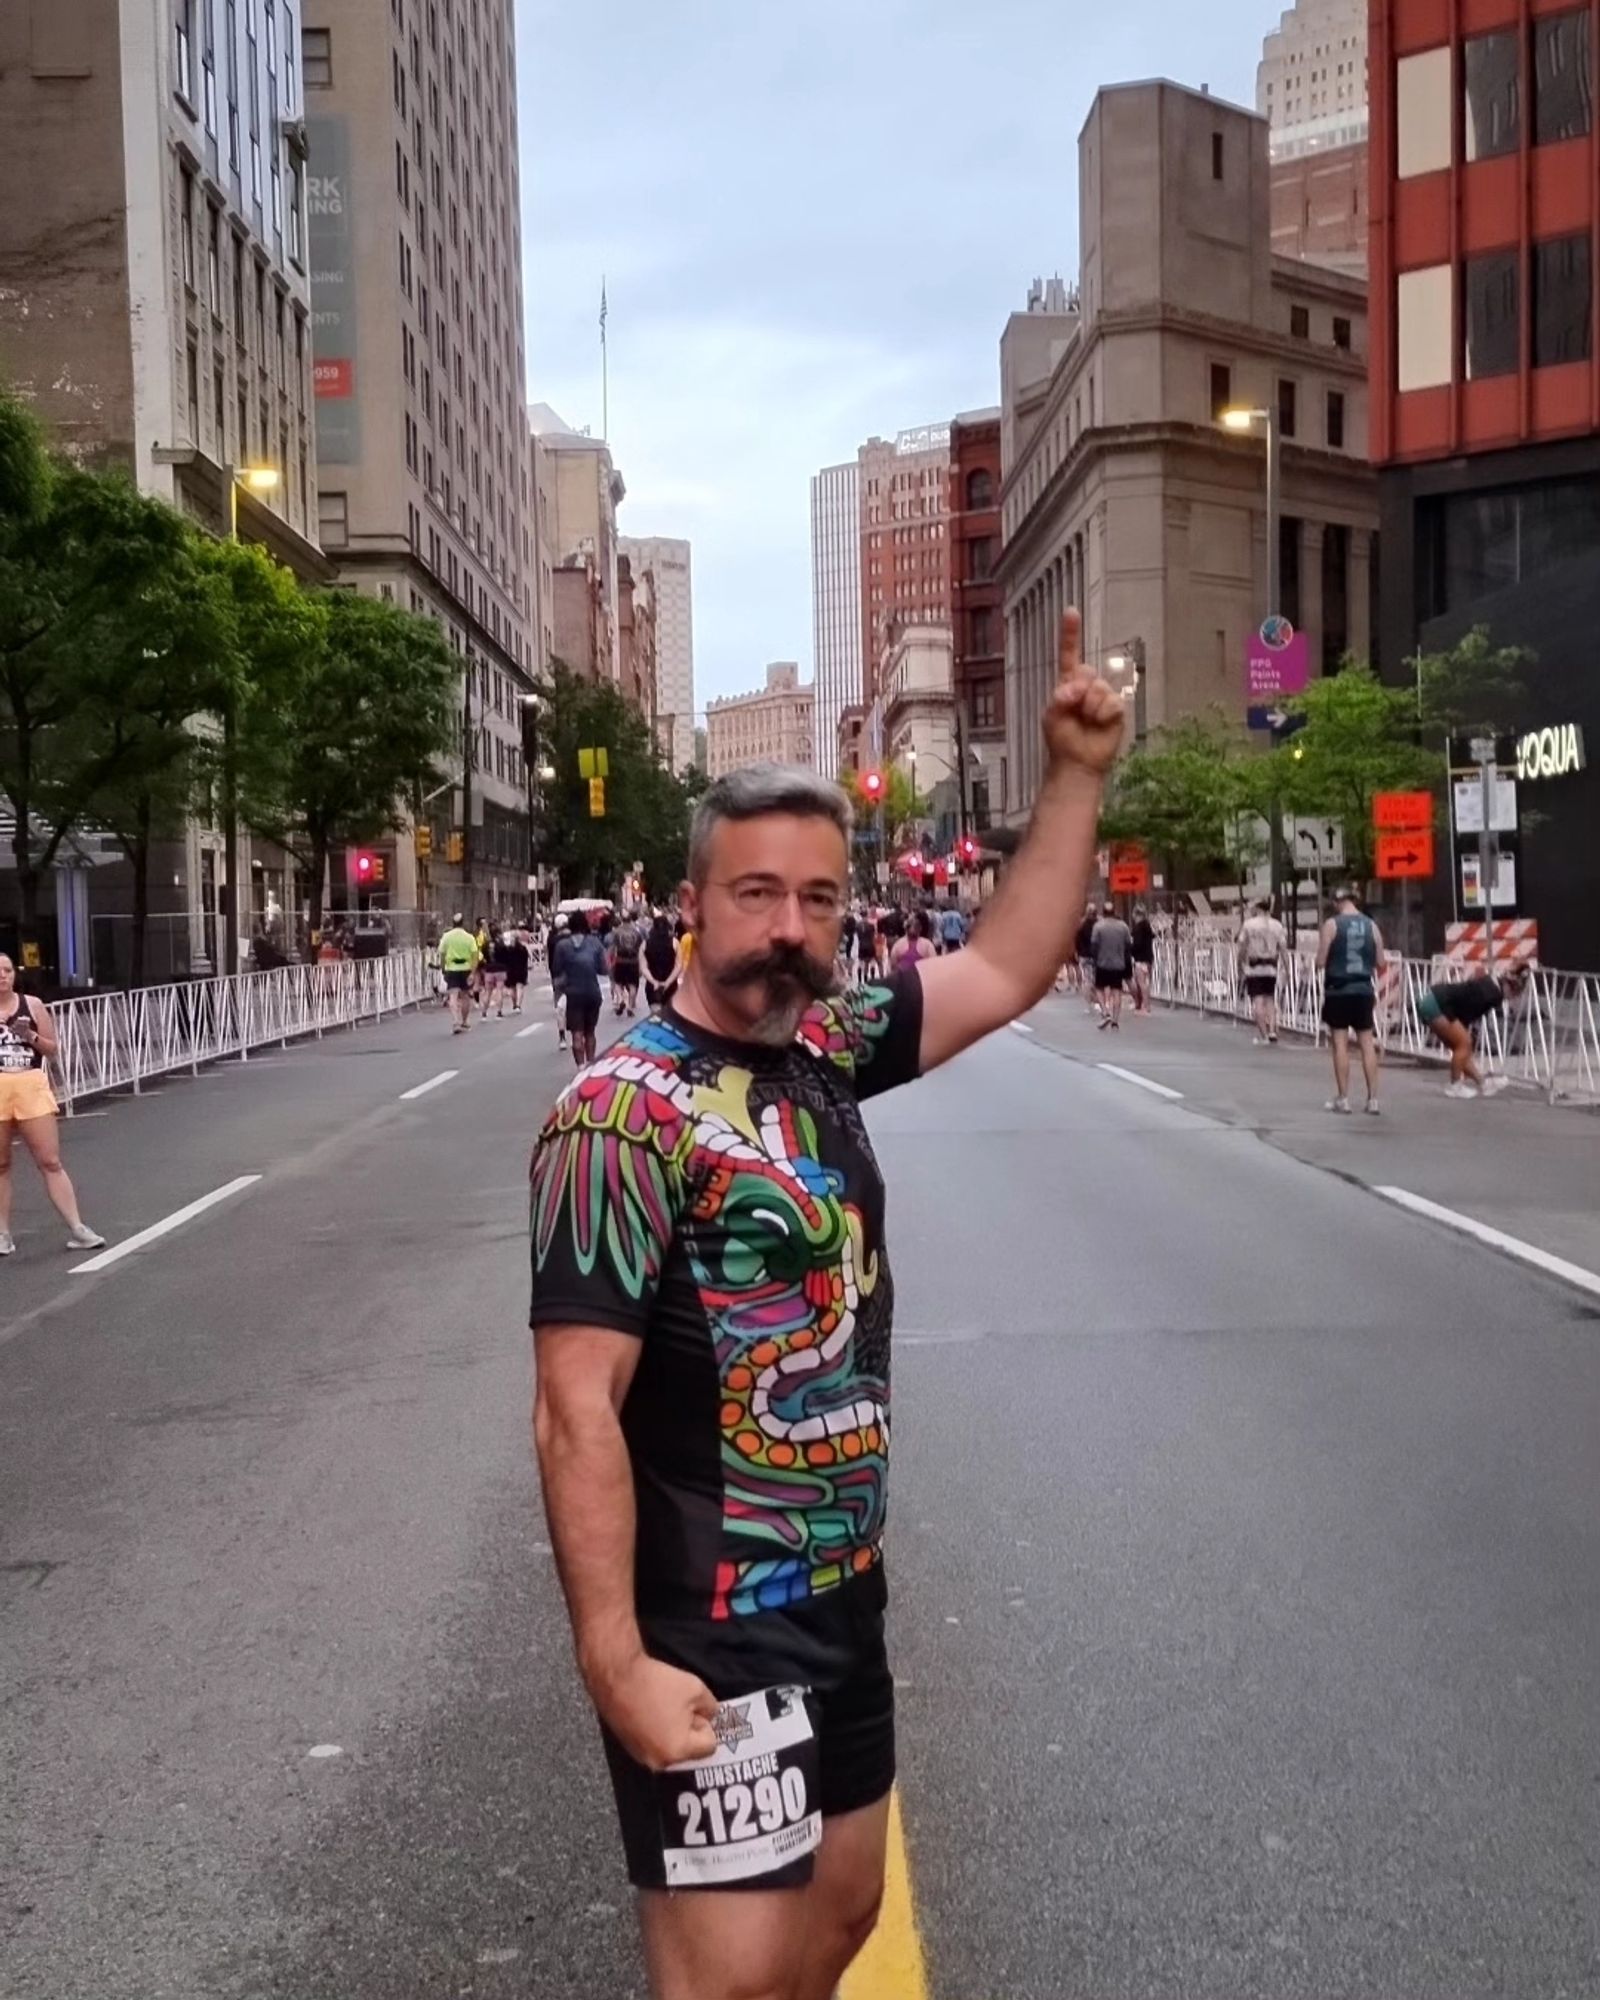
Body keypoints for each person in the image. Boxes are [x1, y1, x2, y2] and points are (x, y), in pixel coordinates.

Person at [529, 607, 1124, 2000]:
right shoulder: (619, 1120)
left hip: (842, 1603)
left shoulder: (825, 1052)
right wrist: (616, 1661)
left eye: (817, 899)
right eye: (756, 894)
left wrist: (1079, 773)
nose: (790, 928)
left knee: (840, 1925)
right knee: (733, 1978)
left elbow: (1007, 962)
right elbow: (574, 1414)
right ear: (690, 902)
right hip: (711, 1625)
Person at [0, 955, 105, 1255]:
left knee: (50, 1161)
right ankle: (3, 1233)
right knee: (1, 1164)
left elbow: (52, 1048)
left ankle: (78, 1227)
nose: (3, 977)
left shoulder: (31, 1005)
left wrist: (29, 1035)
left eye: (7, 971)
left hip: (30, 1084)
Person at [1316, 888, 1386, 1115]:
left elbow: (1320, 960)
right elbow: (1381, 961)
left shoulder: (1332, 925)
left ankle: (1343, 1098)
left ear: (1337, 902)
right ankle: (1373, 1099)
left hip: (1338, 990)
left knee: (1340, 1044)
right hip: (1364, 989)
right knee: (1367, 1043)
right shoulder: (1371, 925)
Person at [1418, 965, 1525, 1098]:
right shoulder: (1493, 994)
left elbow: (1466, 1007)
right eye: (1515, 993)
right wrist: (1465, 1030)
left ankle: (1483, 1084)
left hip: (1434, 1001)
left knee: (1463, 1049)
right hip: (1438, 1005)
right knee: (1464, 1044)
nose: (1513, 997)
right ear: (1508, 986)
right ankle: (1454, 1085)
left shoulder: (1491, 985)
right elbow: (1469, 1010)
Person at [552, 908, 607, 1067]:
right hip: (592, 992)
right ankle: (590, 1064)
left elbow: (556, 970)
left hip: (573, 993)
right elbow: (603, 969)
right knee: (590, 1032)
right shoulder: (595, 943)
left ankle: (580, 1068)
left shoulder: (562, 945)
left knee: (577, 1033)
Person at [1235, 898, 1288, 1045]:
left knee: (1258, 1001)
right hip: (1271, 967)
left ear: (1258, 909)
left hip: (1254, 967)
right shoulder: (1277, 925)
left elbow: (1242, 947)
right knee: (1270, 1000)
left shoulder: (1249, 925)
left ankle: (1264, 1035)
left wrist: (1239, 964)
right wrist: (1287, 968)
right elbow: (1283, 949)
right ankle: (1272, 1031)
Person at [1090, 898, 1134, 1030]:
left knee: (1099, 988)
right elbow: (1128, 945)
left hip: (1102, 963)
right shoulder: (1123, 926)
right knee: (1117, 992)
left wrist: (1095, 960)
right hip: (1118, 964)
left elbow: (1094, 946)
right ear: (1114, 912)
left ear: (1103, 912)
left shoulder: (1098, 926)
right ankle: (1115, 1020)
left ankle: (1105, 1011)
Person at [437, 914, 481, 1035]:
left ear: (453, 923)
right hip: (466, 968)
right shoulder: (469, 937)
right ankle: (465, 1021)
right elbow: (475, 956)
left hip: (452, 968)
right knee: (465, 996)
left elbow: (442, 954)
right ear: (463, 923)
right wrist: (473, 972)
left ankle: (455, 1021)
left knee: (453, 996)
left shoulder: (446, 937)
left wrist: (443, 968)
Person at [643, 911, 683, 1013]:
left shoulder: (645, 944)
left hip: (653, 985)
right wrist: (668, 982)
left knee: (656, 1016)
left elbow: (643, 967)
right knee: (670, 1018)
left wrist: (653, 981)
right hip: (671, 985)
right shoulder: (675, 943)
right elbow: (679, 965)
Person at [610, 911, 645, 1018]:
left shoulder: (616, 932)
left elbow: (613, 948)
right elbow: (641, 948)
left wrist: (612, 960)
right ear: (630, 920)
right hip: (633, 961)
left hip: (620, 960)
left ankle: (620, 998)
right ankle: (630, 1007)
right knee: (633, 984)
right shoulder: (637, 932)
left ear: (622, 920)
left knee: (617, 983)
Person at [548, 912, 571, 1048]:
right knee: (575, 1005)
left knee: (559, 1007)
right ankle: (576, 1033)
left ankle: (562, 1037)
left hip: (558, 975)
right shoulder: (574, 938)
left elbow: (550, 957)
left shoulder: (552, 940)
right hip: (574, 975)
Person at [1129, 904, 1156, 1015]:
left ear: (1136, 915)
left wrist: (1130, 949)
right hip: (1148, 957)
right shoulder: (1147, 926)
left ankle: (1145, 1006)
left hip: (1140, 958)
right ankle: (1143, 1004)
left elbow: (1137, 944)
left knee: (1141, 982)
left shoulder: (1138, 928)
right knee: (1145, 982)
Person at [1074, 900, 1099, 1010]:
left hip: (1084, 955)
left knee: (1088, 979)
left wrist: (1078, 953)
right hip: (1097, 955)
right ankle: (1097, 1001)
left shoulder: (1081, 925)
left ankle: (1090, 1003)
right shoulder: (1099, 924)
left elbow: (1077, 940)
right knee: (1096, 979)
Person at [502, 927, 531, 1015]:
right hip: (521, 969)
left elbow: (505, 960)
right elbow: (526, 959)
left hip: (510, 969)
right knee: (520, 987)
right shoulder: (523, 948)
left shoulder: (508, 949)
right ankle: (518, 1005)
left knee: (512, 988)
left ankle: (514, 1004)